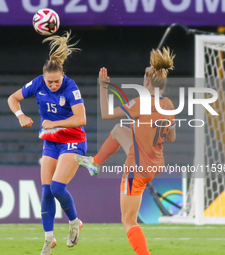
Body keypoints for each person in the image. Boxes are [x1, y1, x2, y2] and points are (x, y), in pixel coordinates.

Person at [75, 47, 176, 255]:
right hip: (154, 163)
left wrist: (103, 87)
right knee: (120, 130)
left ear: (147, 80)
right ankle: (94, 163)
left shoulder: (140, 103)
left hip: (137, 169)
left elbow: (105, 113)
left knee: (128, 220)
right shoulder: (168, 104)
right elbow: (172, 137)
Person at [8, 31, 86, 255]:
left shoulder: (71, 88)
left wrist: (54, 123)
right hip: (51, 143)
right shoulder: (38, 84)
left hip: (73, 141)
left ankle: (74, 222)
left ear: (63, 76)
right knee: (46, 192)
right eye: (49, 82)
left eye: (56, 81)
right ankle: (49, 240)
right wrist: (21, 115)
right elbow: (12, 98)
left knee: (57, 187)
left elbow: (81, 119)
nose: (53, 85)